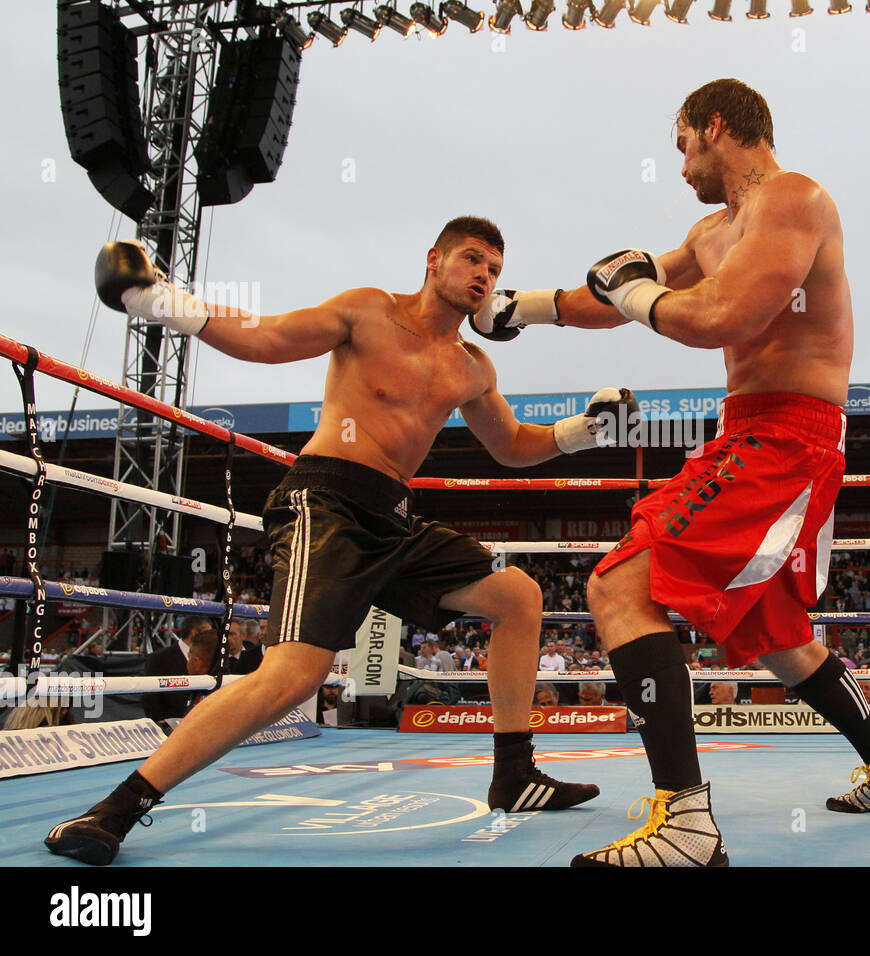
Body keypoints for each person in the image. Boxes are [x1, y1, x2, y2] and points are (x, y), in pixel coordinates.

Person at [46, 218, 634, 866]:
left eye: (494, 269)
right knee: (295, 676)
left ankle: (514, 773)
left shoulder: (472, 366)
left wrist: (583, 430)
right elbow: (268, 337)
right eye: (472, 259)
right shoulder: (368, 313)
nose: (484, 277)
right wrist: (162, 302)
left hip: (394, 517)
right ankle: (116, 809)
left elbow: (510, 444)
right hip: (325, 502)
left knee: (519, 596)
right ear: (434, 259)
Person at [475, 79, 870, 867]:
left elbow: (723, 316)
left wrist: (637, 290)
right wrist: (528, 307)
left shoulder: (794, 199)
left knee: (620, 586)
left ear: (717, 126)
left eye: (683, 145)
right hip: (752, 433)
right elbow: (620, 289)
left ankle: (686, 824)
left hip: (787, 438)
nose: (680, 165)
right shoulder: (712, 230)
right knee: (776, 637)